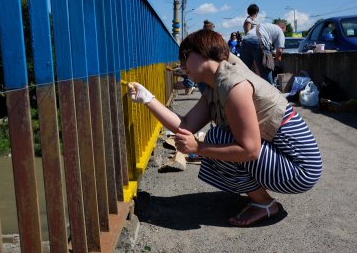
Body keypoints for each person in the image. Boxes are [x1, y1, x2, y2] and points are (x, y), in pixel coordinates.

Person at [128, 29, 322, 227]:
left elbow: (250, 150)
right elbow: (185, 126)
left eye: (185, 57)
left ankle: (264, 204)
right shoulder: (216, 85)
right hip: (284, 160)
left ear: (203, 53)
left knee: (217, 139)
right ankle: (260, 198)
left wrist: (198, 148)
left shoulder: (234, 86)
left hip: (301, 171)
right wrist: (148, 99)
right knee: (219, 138)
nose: (183, 67)